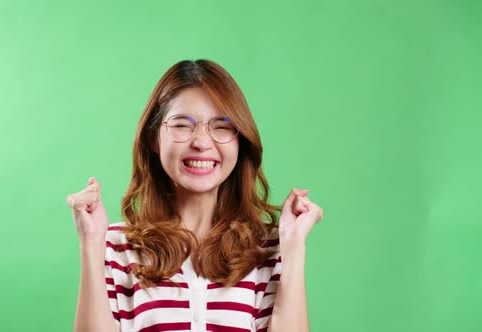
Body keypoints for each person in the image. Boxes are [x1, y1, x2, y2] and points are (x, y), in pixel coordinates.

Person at [66, 59, 324, 332]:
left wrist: (293, 249)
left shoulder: (268, 249)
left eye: (221, 126)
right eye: (182, 125)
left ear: (240, 140)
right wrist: (92, 244)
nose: (201, 142)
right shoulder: (116, 247)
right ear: (154, 138)